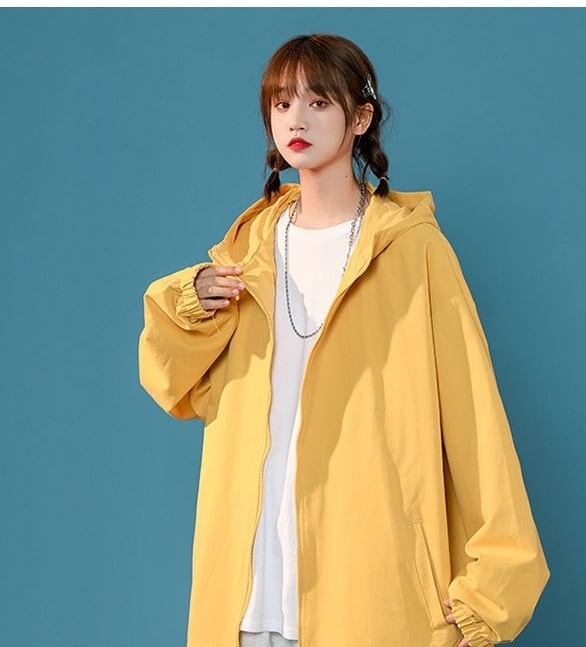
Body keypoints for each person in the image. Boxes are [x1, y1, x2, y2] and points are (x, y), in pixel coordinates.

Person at [138, 34, 550, 647]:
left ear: (360, 118)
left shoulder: (414, 251)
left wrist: (492, 591)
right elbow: (175, 385)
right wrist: (189, 300)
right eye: (281, 104)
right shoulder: (246, 254)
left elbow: (474, 416)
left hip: (370, 590)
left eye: (318, 102)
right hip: (244, 599)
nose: (296, 120)